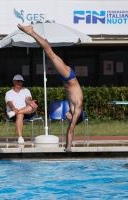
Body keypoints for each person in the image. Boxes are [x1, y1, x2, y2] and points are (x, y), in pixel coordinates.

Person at [17, 24, 83, 152]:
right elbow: (71, 130)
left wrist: (65, 147)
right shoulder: (77, 110)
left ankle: (34, 34)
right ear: (75, 118)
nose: (66, 117)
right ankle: (31, 32)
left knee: (50, 54)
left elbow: (69, 130)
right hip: (68, 77)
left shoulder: (74, 109)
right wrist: (68, 149)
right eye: (69, 118)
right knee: (50, 53)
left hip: (66, 78)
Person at [5, 74, 38, 144]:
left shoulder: (26, 90)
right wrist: (13, 109)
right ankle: (20, 137)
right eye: (18, 81)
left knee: (32, 106)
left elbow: (28, 98)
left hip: (26, 112)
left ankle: (16, 112)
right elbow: (9, 102)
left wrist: (30, 102)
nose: (19, 83)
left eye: (21, 81)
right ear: (13, 81)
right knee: (20, 115)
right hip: (15, 112)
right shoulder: (9, 93)